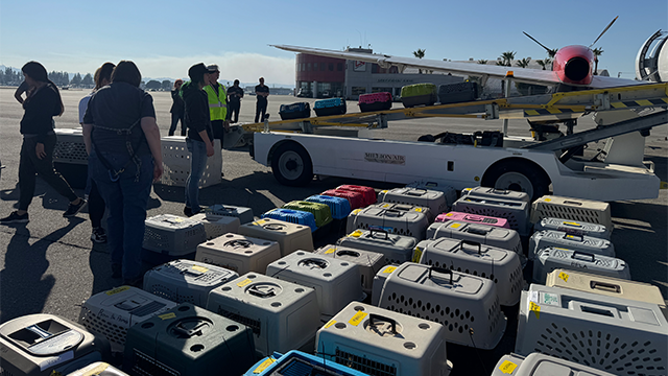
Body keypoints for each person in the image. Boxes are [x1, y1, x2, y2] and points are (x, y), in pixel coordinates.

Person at [82, 60, 163, 285]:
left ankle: (116, 263)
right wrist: (159, 161)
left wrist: (94, 157)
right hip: (135, 163)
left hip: (102, 161)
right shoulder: (142, 97)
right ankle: (131, 271)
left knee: (114, 214)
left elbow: (87, 130)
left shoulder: (97, 96)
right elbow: (150, 128)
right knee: (134, 216)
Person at [1, 62, 87, 225]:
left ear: (33, 75)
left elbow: (45, 118)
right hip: (30, 138)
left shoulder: (47, 91)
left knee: (47, 172)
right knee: (25, 174)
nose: (24, 79)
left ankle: (75, 201)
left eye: (26, 75)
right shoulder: (37, 90)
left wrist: (40, 141)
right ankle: (22, 212)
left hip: (39, 138)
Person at [78, 62, 115, 243]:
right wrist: (91, 152)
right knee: (96, 192)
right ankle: (96, 227)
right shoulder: (88, 100)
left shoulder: (120, 99)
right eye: (111, 80)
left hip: (114, 154)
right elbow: (86, 130)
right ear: (102, 80)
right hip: (98, 153)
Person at [183, 63, 215, 217]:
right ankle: (193, 208)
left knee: (194, 174)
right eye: (206, 74)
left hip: (200, 139)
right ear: (199, 77)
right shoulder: (195, 96)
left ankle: (190, 205)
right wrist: (208, 143)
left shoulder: (200, 93)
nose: (209, 76)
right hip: (198, 140)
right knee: (196, 175)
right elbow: (198, 122)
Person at [204, 65, 230, 149]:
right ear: (209, 74)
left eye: (218, 72)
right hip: (209, 120)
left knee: (219, 144)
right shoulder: (205, 88)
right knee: (210, 144)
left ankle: (217, 161)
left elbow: (226, 103)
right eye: (216, 72)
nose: (218, 74)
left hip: (220, 120)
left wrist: (227, 119)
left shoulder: (222, 87)